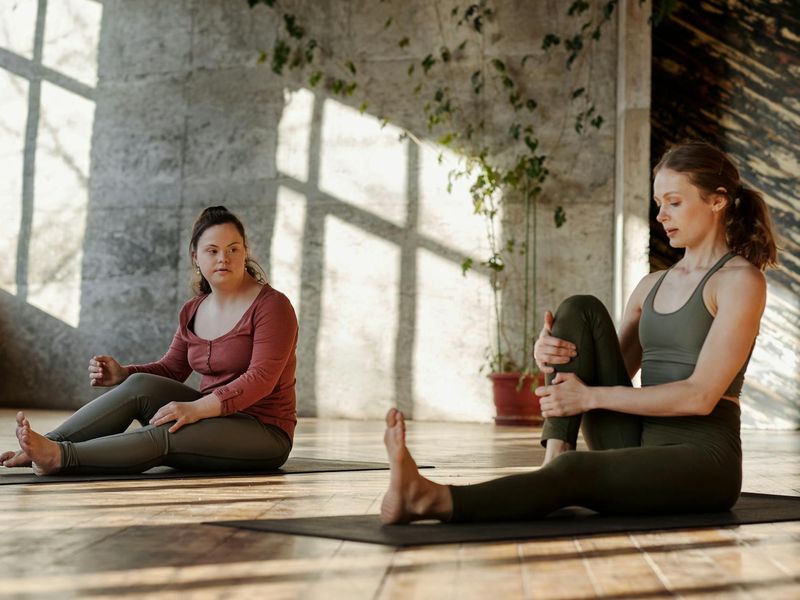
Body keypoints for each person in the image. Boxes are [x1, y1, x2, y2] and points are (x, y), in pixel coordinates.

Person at [379, 140, 779, 524]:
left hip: (703, 461)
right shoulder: (651, 285)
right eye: (659, 205)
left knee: (577, 471)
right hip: (637, 441)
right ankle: (553, 456)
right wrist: (553, 354)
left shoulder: (738, 281)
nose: (661, 216)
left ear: (717, 200)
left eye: (674, 203)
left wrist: (585, 396)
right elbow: (607, 368)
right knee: (579, 309)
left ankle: (428, 498)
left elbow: (700, 397)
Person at [1, 206, 298, 475]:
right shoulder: (193, 309)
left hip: (263, 432)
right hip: (211, 417)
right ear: (196, 257)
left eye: (233, 249)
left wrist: (195, 409)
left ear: (245, 252)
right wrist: (125, 374)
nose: (224, 258)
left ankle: (59, 457)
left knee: (166, 433)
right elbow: (172, 369)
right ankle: (45, 445)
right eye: (213, 250)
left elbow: (261, 379)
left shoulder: (272, 306)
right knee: (139, 386)